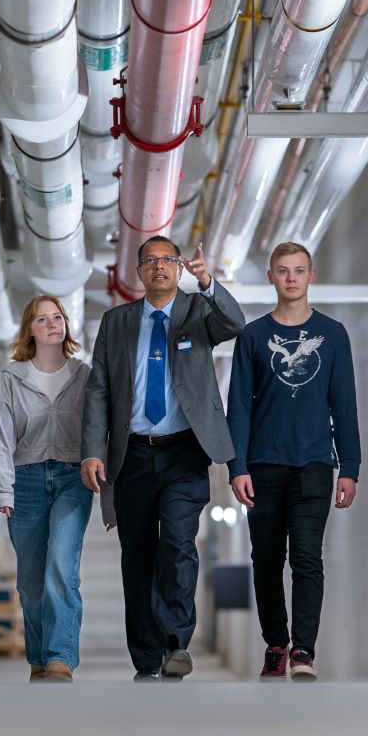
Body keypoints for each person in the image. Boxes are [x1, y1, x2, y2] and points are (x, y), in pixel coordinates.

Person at [81, 238, 244, 682]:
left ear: (179, 267)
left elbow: (235, 323)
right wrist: (93, 450)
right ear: (138, 270)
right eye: (149, 261)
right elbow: (98, 389)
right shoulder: (117, 322)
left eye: (167, 260)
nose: (159, 267)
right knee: (138, 556)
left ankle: (176, 643)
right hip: (131, 453)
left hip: (185, 450)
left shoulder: (197, 311)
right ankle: (146, 658)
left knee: (177, 543)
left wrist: (207, 281)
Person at [227, 241, 361, 682]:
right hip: (263, 465)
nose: (290, 278)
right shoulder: (253, 336)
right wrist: (237, 466)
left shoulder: (334, 334)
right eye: (282, 271)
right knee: (265, 559)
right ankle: (276, 645)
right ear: (271, 277)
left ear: (311, 275)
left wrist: (351, 467)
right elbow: (239, 408)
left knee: (307, 558)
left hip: (314, 464)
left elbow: (344, 404)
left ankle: (304, 650)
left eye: (298, 270)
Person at [0, 296, 93, 684]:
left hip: (72, 478)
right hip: (26, 480)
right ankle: (38, 660)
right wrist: (3, 491)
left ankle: (60, 660)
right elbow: (0, 438)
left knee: (61, 567)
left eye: (58, 317)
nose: (52, 323)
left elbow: (97, 430)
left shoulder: (84, 375)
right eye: (43, 319)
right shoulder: (13, 378)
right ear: (30, 329)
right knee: (30, 583)